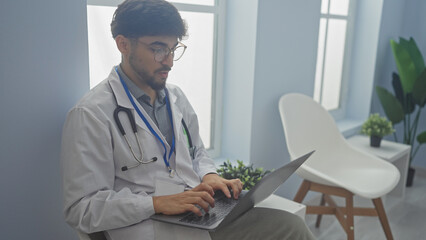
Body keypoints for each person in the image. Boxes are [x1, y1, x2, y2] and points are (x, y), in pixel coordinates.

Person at [61, 0, 315, 239]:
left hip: (197, 212)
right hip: (147, 227)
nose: (169, 61)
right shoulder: (91, 114)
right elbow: (81, 209)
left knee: (291, 227)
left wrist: (209, 175)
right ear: (123, 44)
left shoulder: (175, 97)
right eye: (158, 49)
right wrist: (155, 203)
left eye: (173, 49)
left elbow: (197, 153)